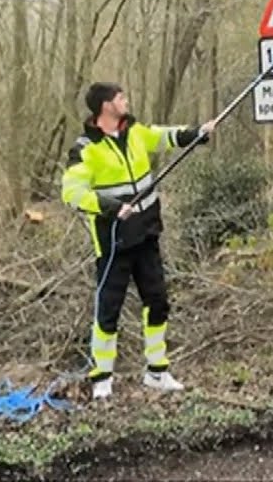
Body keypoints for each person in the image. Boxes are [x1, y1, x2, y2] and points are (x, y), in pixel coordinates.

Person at [60, 82, 216, 399]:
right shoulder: (84, 149)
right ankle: (102, 378)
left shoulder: (134, 132)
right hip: (114, 242)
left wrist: (197, 133)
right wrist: (111, 207)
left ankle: (157, 372)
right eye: (120, 98)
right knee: (109, 311)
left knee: (157, 302)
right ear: (105, 106)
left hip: (147, 234)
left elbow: (164, 137)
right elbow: (71, 193)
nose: (125, 100)